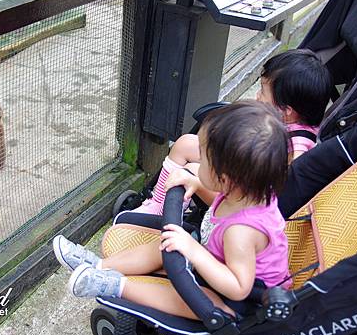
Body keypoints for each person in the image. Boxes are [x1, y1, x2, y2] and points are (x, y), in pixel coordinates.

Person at [53, 101, 291, 320]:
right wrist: (197, 183)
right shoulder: (246, 192)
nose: (197, 162)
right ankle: (99, 266)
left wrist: (195, 252)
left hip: (244, 302)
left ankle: (115, 285)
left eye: (204, 159)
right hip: (219, 262)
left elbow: (239, 288)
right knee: (167, 243)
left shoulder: (241, 233)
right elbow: (223, 197)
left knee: (194, 297)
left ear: (225, 179)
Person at [134, 48, 333, 215]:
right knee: (185, 143)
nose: (257, 96)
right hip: (240, 166)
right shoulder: (286, 123)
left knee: (194, 169)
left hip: (240, 201)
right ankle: (158, 203)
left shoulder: (297, 149)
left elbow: (265, 196)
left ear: (286, 111)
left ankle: (167, 208)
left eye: (262, 92)